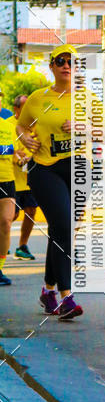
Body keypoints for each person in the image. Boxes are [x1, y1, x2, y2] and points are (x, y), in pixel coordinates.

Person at [16, 45, 105, 319]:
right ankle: (66, 296)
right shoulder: (37, 98)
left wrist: (83, 127)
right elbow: (21, 125)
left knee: (64, 229)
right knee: (64, 224)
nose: (66, 65)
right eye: (60, 61)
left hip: (79, 168)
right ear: (52, 66)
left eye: (72, 61)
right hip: (45, 168)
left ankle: (48, 290)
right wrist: (24, 137)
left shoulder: (89, 99)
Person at [11, 94, 37, 261]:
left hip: (31, 181)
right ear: (16, 109)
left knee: (31, 211)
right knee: (10, 216)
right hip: (11, 180)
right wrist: (16, 156)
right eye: (25, 107)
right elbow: (8, 150)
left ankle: (22, 246)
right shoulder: (8, 126)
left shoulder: (37, 127)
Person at [0, 88, 17, 286]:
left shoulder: (8, 126)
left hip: (6, 179)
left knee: (6, 222)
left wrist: (21, 157)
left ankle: (0, 268)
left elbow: (17, 151)